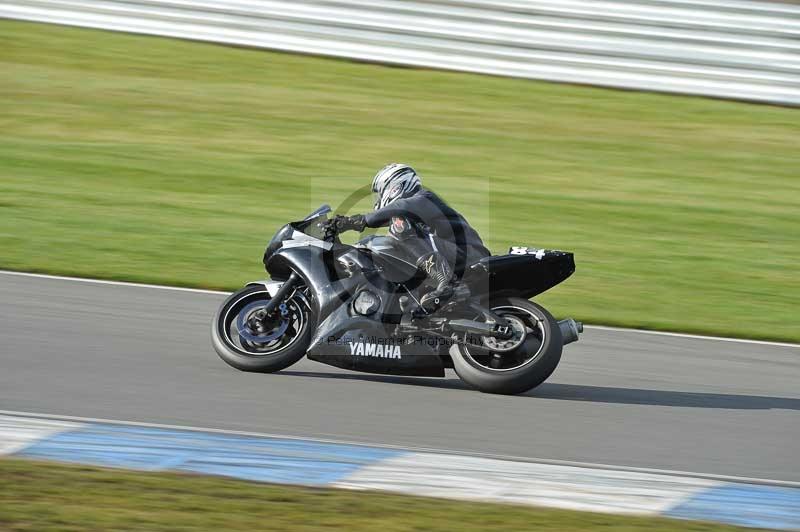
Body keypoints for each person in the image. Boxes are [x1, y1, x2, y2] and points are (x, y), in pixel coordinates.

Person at [330, 163, 490, 313]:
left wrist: (359, 221)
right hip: (457, 259)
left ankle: (447, 282)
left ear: (395, 187)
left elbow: (401, 208)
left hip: (470, 256)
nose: (378, 200)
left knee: (398, 226)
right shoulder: (416, 213)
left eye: (380, 193)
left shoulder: (424, 198)